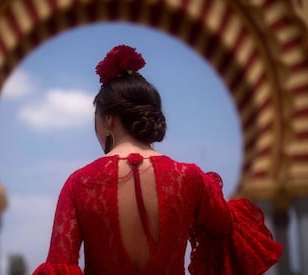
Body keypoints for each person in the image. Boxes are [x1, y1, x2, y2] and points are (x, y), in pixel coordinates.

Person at [32, 45, 282, 275]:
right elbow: (227, 228)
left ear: (108, 119)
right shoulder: (190, 178)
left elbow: (60, 265)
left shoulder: (79, 183)